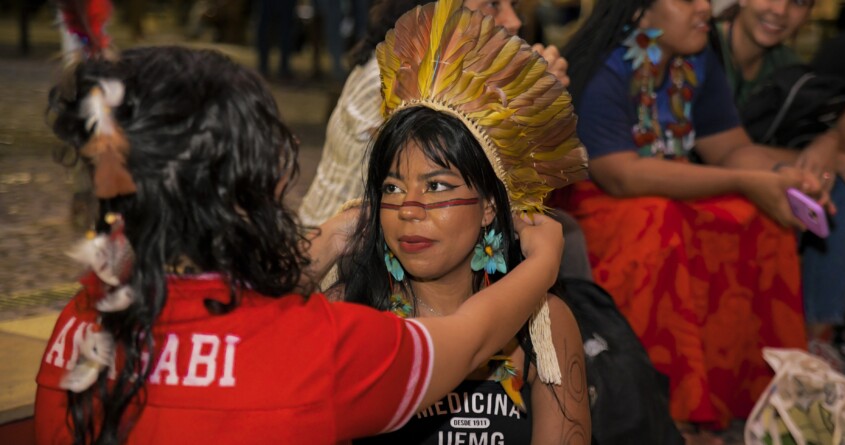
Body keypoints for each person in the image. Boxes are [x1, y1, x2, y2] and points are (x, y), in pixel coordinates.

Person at [33, 45, 565, 444]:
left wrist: (334, 234)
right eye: (274, 163)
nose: (408, 206)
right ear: (241, 195)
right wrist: (542, 263)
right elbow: (469, 342)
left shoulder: (82, 322)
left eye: (437, 185)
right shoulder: (313, 348)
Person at [551, 0, 830, 440]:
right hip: (599, 202)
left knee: (759, 216)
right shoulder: (608, 65)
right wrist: (744, 179)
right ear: (640, 12)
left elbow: (730, 147)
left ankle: (754, 393)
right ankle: (670, 409)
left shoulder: (696, 58)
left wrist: (778, 178)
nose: (705, 7)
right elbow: (621, 175)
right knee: (657, 220)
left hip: (666, 190)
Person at [334, 1, 591, 443]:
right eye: (393, 188)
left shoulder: (543, 322)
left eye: (436, 186)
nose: (410, 209)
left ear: (491, 205)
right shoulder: (352, 308)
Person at [296, 0, 569, 228]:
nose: (514, 21)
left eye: (514, 5)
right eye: (493, 5)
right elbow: (470, 184)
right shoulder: (401, 76)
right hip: (343, 258)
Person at [713, 0, 845, 362]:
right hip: (699, 172)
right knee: (818, 181)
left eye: (798, 2)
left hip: (754, 169)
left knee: (837, 191)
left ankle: (816, 339)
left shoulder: (787, 67)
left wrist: (828, 143)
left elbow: (820, 134)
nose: (780, 11)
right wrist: (831, 152)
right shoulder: (702, 48)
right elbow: (727, 154)